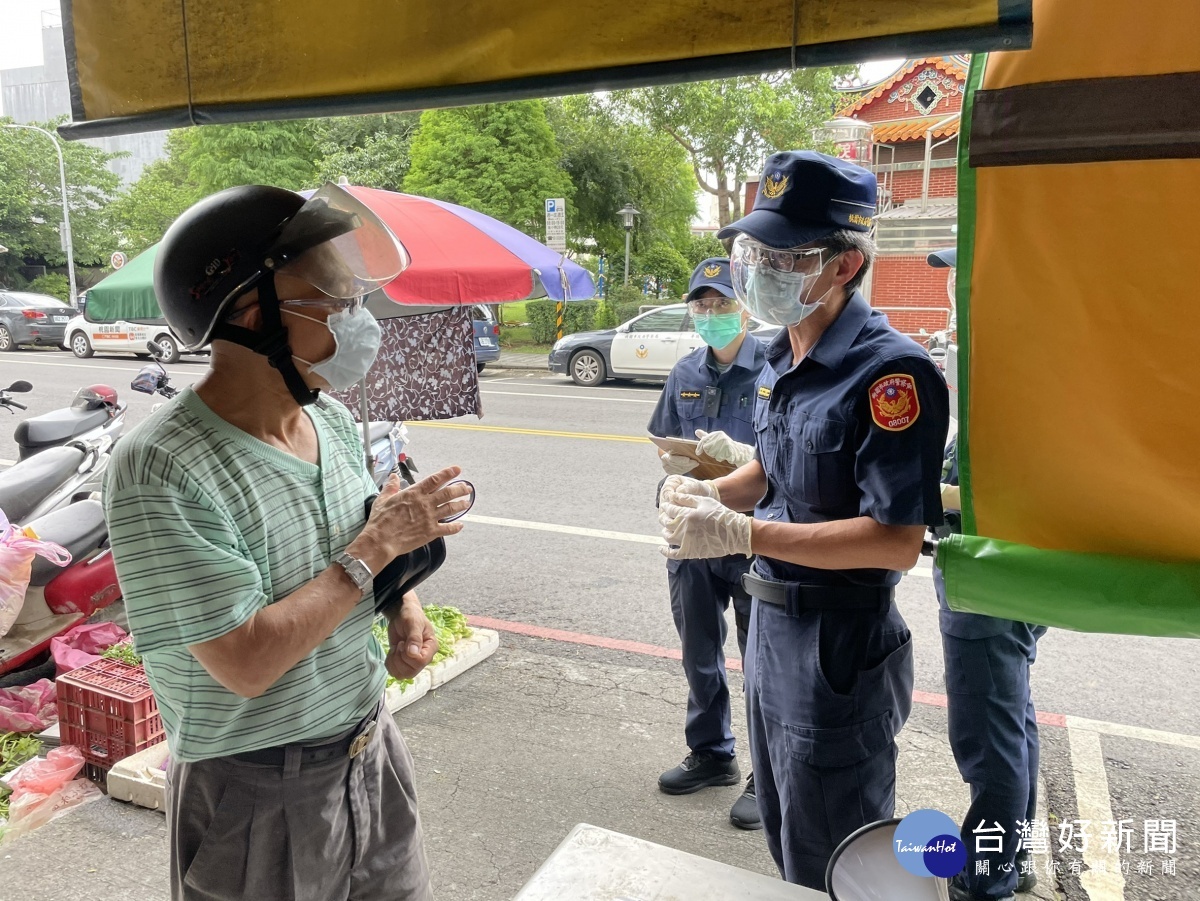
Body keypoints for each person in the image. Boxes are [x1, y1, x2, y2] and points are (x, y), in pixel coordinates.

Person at [103, 184, 474, 901]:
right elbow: (246, 662)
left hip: (371, 752)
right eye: (332, 295)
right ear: (251, 313)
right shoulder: (164, 466)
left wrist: (404, 605)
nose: (354, 315)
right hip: (256, 791)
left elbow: (365, 539)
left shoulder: (328, 420)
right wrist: (373, 552)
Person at [658, 151, 950, 890]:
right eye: (754, 252)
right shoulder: (784, 354)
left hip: (839, 644)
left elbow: (896, 540)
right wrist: (711, 497)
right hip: (772, 632)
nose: (759, 270)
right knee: (788, 836)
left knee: (839, 852)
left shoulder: (892, 375)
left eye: (783, 256)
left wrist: (745, 535)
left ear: (845, 264)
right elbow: (775, 470)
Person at [927, 249, 1046, 901]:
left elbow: (998, 492)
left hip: (990, 578)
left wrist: (922, 495)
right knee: (1010, 715)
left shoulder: (1009, 370)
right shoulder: (1011, 355)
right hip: (1006, 575)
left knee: (987, 733)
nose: (950, 287)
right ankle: (1012, 851)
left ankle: (987, 872)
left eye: (961, 274)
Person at [648, 258, 765, 830]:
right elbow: (666, 443)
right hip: (694, 536)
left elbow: (784, 463)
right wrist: (671, 468)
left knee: (764, 662)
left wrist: (741, 460)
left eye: (721, 304)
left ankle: (766, 778)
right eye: (701, 305)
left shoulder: (775, 367)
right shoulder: (685, 372)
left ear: (745, 305)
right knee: (699, 652)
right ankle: (713, 753)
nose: (711, 315)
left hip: (752, 536)